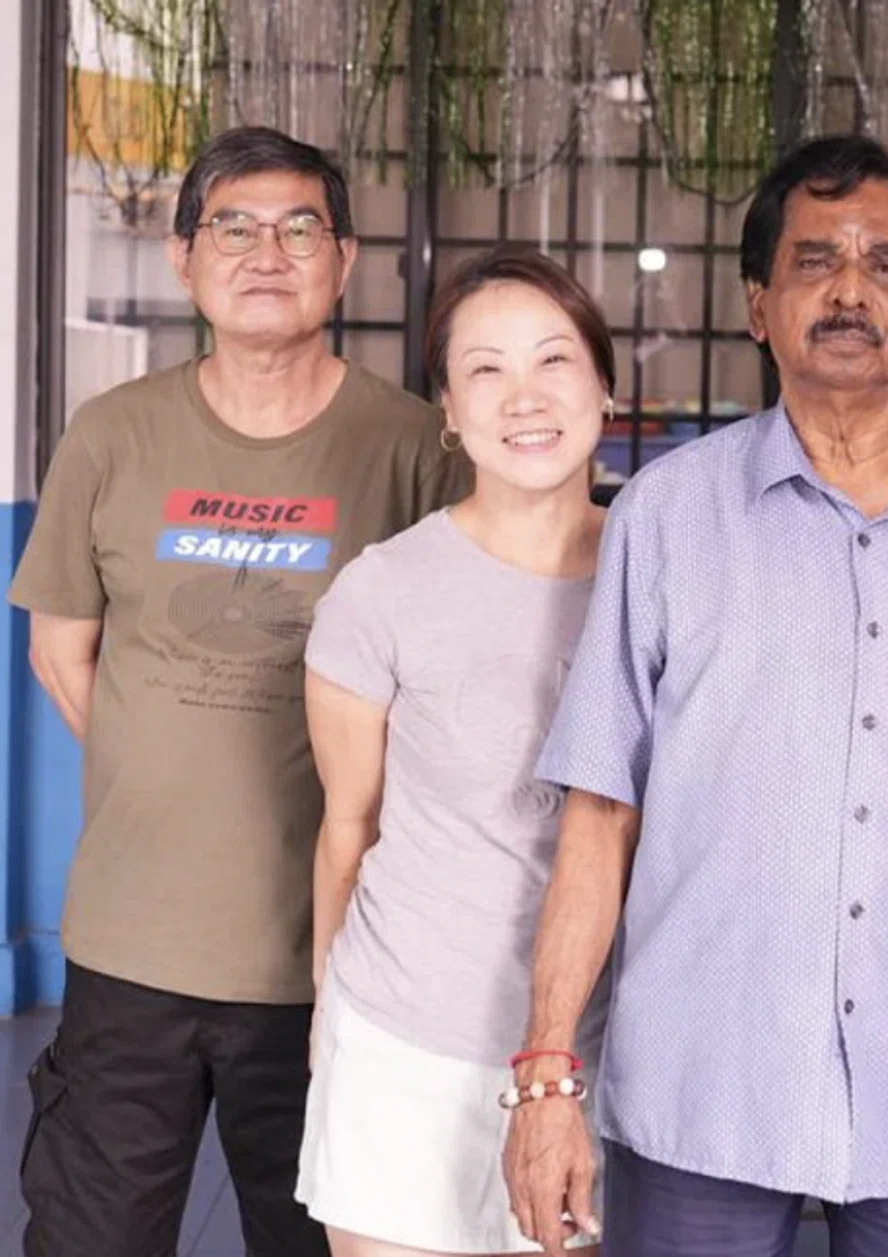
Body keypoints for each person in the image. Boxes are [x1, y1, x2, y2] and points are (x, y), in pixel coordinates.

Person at [500, 134, 888, 1257]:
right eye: (813, 262)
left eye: (887, 266)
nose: (850, 290)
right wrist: (547, 1076)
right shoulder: (666, 515)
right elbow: (600, 815)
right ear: (759, 305)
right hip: (706, 1089)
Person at [9, 125, 470, 1257]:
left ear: (345, 257)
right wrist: (170, 772)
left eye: (298, 226)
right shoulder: (114, 435)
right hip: (131, 948)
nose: (267, 251)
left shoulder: (413, 448)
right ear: (184, 258)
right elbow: (63, 654)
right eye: (234, 226)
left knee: (318, 1239)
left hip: (335, 952)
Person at [294, 247, 614, 1257]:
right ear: (448, 409)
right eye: (486, 369)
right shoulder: (382, 591)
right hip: (405, 1043)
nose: (525, 397)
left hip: (600, 1050)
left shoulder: (665, 570)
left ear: (605, 385)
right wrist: (327, 1017)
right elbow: (348, 826)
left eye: (555, 361)